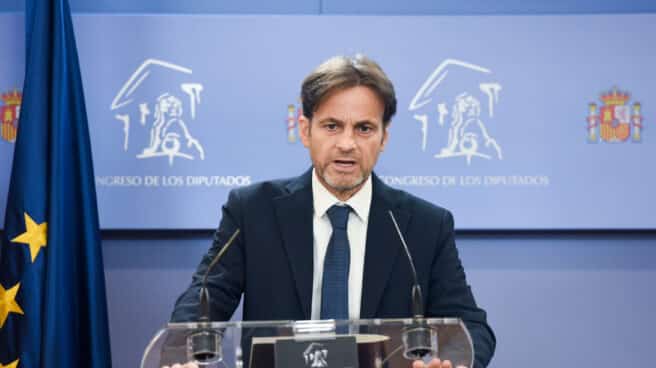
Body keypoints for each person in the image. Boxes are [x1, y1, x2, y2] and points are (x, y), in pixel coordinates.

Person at [170, 55, 495, 368]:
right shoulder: (253, 211)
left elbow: (472, 327)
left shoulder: (424, 225)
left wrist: (453, 364)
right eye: (332, 126)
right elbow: (203, 301)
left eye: (364, 128)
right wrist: (183, 354)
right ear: (305, 130)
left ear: (384, 138)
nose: (347, 143)